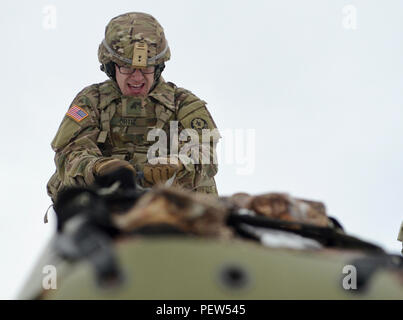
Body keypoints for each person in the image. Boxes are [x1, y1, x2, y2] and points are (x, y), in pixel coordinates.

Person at [47, 12, 220, 203]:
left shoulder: (182, 102)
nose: (137, 78)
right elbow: (69, 151)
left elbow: (205, 150)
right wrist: (99, 167)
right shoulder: (91, 100)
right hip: (107, 204)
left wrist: (177, 164)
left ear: (158, 68)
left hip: (172, 207)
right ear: (111, 67)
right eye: (127, 68)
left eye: (146, 68)